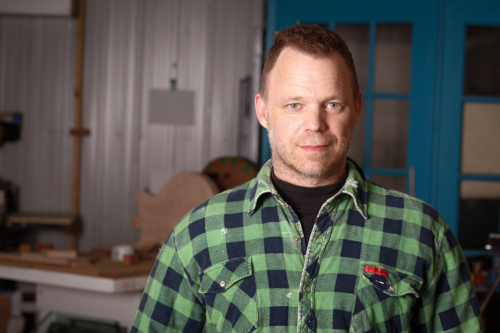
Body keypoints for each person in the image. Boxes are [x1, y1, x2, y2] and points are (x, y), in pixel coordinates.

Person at [130, 23, 483, 333]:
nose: (314, 124)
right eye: (294, 105)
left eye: (332, 104)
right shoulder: (198, 233)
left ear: (356, 109)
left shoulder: (422, 232)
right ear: (263, 111)